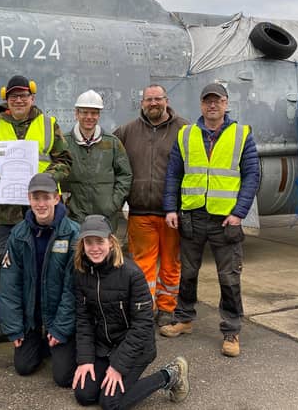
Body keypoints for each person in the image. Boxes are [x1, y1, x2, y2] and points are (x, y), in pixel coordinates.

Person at [159, 83, 260, 358]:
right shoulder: (186, 134)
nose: (212, 105)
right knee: (188, 273)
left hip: (225, 219)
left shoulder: (241, 135)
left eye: (218, 101)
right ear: (201, 104)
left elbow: (252, 175)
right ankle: (184, 319)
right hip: (192, 215)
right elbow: (174, 174)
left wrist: (239, 212)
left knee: (228, 277)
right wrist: (171, 208)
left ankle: (231, 330)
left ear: (226, 104)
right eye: (207, 101)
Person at [0, 75, 72, 347]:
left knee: (50, 267)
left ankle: (46, 325)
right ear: (6, 98)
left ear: (32, 97)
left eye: (23, 95)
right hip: (9, 214)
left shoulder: (49, 125)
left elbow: (65, 161)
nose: (18, 100)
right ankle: (5, 324)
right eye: (13, 96)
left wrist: (46, 180)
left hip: (45, 212)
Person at [72, 215, 190, 409]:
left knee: (110, 403)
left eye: (99, 241)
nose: (94, 248)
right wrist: (85, 360)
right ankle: (112, 373)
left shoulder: (131, 274)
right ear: (82, 245)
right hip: (106, 345)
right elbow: (83, 319)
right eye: (88, 242)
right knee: (84, 395)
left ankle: (171, 374)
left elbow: (143, 326)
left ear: (110, 242)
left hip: (137, 346)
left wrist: (118, 367)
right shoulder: (81, 273)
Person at [114, 85, 188, 327]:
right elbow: (109, 158)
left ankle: (167, 308)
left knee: (170, 265)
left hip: (172, 214)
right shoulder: (127, 131)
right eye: (149, 99)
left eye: (158, 99)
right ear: (142, 103)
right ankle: (146, 308)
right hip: (139, 212)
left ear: (166, 100)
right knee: (141, 267)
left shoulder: (185, 130)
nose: (153, 103)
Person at [0, 173, 79, 386]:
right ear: (29, 199)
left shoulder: (73, 235)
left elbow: (74, 290)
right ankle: (41, 341)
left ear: (57, 198)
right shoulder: (18, 234)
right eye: (36, 198)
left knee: (63, 378)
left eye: (46, 197)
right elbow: (9, 285)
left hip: (59, 316)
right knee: (24, 367)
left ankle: (65, 341)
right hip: (32, 318)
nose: (41, 204)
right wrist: (15, 327)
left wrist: (61, 329)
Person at [63, 90, 132, 230]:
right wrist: (65, 204)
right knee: (76, 250)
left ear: (99, 115)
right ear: (76, 114)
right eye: (84, 112)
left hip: (106, 216)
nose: (89, 117)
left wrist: (113, 204)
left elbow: (125, 175)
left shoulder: (112, 143)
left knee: (104, 250)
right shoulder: (64, 143)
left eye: (94, 113)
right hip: (74, 216)